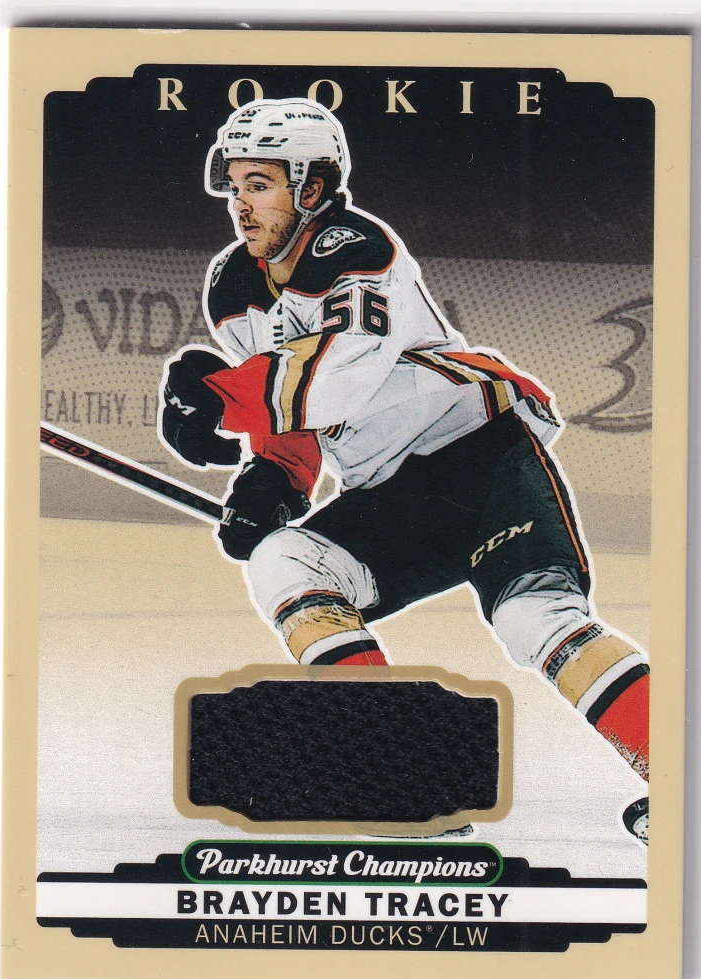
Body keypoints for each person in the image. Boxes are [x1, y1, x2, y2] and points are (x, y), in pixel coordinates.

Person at [159, 98, 649, 846]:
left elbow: (339, 375)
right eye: (234, 186)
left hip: (480, 459)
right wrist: (274, 481)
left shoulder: (354, 247)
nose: (240, 205)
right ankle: (401, 776)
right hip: (392, 496)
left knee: (536, 620)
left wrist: (220, 399)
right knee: (284, 559)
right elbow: (295, 415)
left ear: (311, 188)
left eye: (259, 184)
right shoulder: (233, 285)